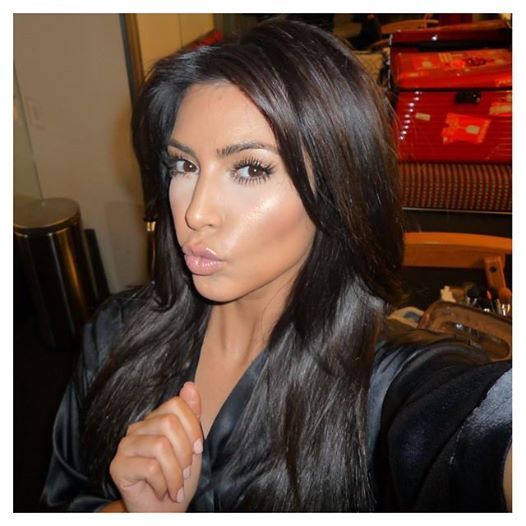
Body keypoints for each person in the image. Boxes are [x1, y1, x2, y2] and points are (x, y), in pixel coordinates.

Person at [40, 18, 511, 512]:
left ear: (338, 189)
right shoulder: (115, 335)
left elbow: (481, 427)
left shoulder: (383, 388)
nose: (195, 212)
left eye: (249, 169)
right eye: (184, 165)